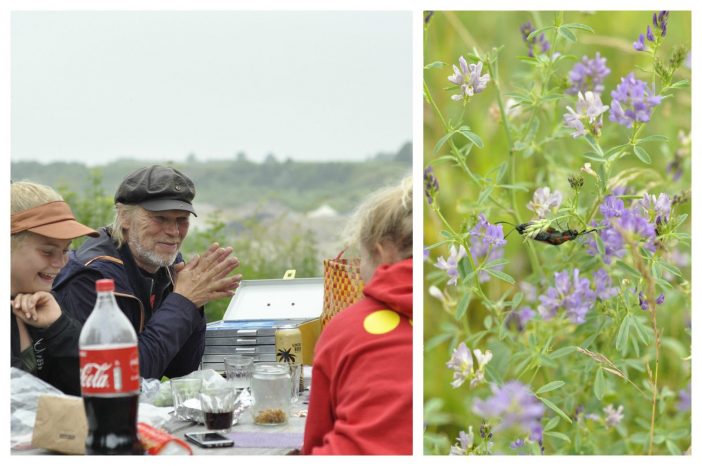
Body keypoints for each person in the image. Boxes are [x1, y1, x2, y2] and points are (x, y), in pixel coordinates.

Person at [53, 165, 242, 380]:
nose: (173, 232)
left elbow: (181, 368)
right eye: (159, 218)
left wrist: (194, 303)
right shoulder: (92, 277)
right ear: (124, 216)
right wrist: (183, 302)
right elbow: (124, 376)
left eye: (182, 220)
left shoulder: (166, 265)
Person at [302, 176, 413, 455]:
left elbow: (316, 439)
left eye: (361, 257)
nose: (360, 271)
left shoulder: (348, 328)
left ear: (382, 252)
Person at [11, 181, 100, 395]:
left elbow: (93, 385)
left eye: (66, 250)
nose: (60, 263)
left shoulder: (44, 302)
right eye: (48, 251)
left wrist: (59, 326)